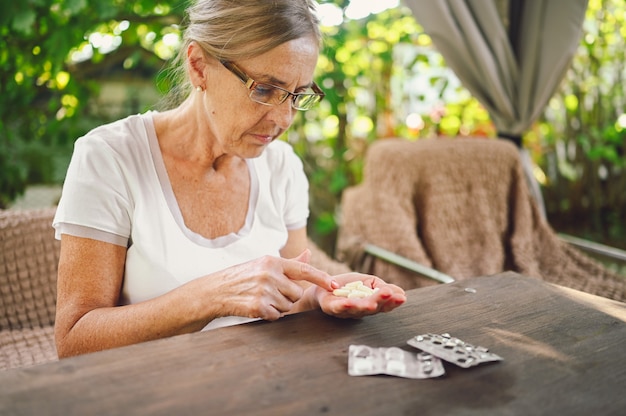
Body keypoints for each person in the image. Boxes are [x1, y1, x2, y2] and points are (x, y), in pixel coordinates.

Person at [52, 0, 406, 358]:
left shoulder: (281, 165)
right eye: (265, 89)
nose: (283, 118)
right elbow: (74, 340)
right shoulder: (110, 157)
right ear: (198, 66)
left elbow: (291, 297)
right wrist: (213, 296)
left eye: (297, 95)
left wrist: (320, 294)